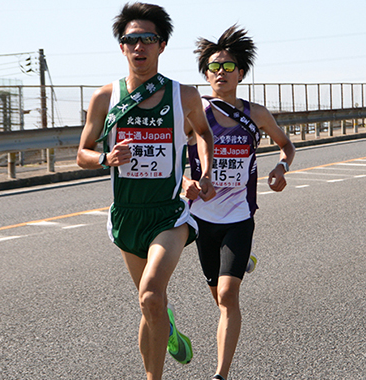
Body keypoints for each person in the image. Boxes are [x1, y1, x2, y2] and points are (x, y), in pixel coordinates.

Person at [76, 3, 216, 379]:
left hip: (168, 213)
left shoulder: (183, 95)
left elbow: (203, 134)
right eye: (131, 40)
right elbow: (81, 154)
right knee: (149, 305)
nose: (139, 47)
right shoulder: (106, 98)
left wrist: (204, 173)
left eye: (148, 40)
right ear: (122, 47)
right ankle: (165, 324)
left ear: (162, 45)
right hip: (127, 214)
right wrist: (106, 158)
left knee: (151, 294)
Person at [182, 25, 295, 380]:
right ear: (205, 74)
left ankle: (220, 375)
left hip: (239, 216)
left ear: (241, 73)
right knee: (219, 299)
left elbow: (286, 144)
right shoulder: (193, 113)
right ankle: (243, 262)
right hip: (202, 218)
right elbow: (169, 156)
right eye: (214, 67)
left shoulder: (256, 114)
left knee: (229, 297)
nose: (220, 73)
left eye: (228, 67)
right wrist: (187, 181)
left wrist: (280, 166)